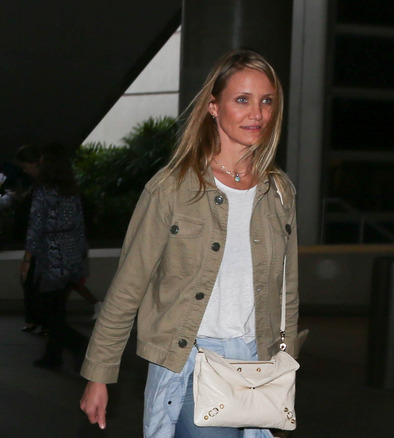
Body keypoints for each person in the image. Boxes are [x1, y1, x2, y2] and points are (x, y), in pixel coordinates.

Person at [79, 49, 299, 438]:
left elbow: (287, 293)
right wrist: (99, 373)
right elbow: (129, 286)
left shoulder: (278, 192)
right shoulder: (172, 189)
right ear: (214, 107)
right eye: (242, 100)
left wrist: (287, 371)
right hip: (190, 359)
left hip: (257, 361)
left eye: (267, 101)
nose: (257, 114)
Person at [20, 143, 89, 369]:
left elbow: (36, 224)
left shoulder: (44, 189)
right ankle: (53, 356)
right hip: (70, 251)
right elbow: (79, 223)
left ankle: (78, 344)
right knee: (56, 307)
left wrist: (27, 259)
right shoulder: (70, 188)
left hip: (51, 253)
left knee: (42, 309)